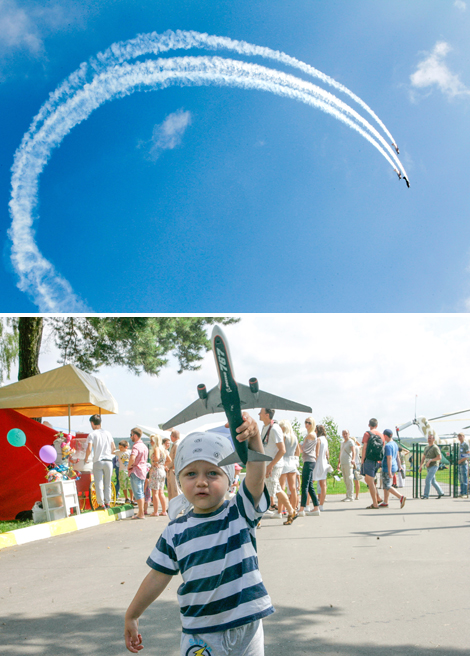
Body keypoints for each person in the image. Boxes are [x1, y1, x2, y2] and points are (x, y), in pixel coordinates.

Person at [124, 413, 274, 655]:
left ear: (229, 479)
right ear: (179, 480)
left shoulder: (239, 512)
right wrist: (132, 614)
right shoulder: (175, 531)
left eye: (212, 473)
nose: (202, 481)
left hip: (247, 626)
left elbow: (257, 477)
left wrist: (255, 437)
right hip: (201, 633)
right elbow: (157, 577)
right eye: (191, 474)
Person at [259, 408, 297, 525]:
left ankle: (257, 519)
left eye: (261, 412)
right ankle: (291, 511)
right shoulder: (265, 427)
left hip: (274, 466)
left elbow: (282, 450)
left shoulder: (275, 429)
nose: (259, 414)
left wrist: (270, 465)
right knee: (274, 490)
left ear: (267, 414)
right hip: (267, 464)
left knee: (271, 490)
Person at [84, 414, 115, 510]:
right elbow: (113, 447)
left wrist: (86, 459)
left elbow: (89, 449)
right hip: (109, 461)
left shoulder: (92, 434)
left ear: (92, 423)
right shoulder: (108, 433)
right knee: (108, 483)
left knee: (98, 483)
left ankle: (101, 504)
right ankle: (108, 503)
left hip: (98, 460)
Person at [297, 416, 320, 516]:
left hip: (309, 461)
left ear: (313, 424)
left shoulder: (310, 435)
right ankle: (316, 507)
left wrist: (296, 443)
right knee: (309, 485)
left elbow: (303, 449)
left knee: (304, 485)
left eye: (309, 423)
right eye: (306, 422)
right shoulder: (310, 434)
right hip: (309, 460)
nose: (307, 424)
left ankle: (302, 508)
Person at [378, 430, 406, 509]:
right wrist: (399, 466)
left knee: (387, 485)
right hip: (394, 466)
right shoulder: (395, 444)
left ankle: (400, 497)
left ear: (385, 436)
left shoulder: (388, 446)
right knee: (385, 484)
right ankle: (386, 501)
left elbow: (389, 458)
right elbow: (397, 456)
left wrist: (389, 471)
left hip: (388, 467)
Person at [361, 418, 385, 509]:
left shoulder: (367, 434)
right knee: (369, 480)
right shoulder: (381, 435)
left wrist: (362, 460)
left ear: (369, 425)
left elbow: (365, 448)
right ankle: (378, 498)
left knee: (370, 482)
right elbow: (383, 448)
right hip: (378, 461)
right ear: (377, 425)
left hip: (369, 460)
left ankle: (375, 504)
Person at [278, 419, 300, 515]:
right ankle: (293, 509)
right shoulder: (294, 437)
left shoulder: (283, 436)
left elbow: (280, 450)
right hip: (292, 461)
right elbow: (298, 451)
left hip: (283, 461)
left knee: (281, 487)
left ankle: (280, 510)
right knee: (293, 488)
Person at [128, 428, 149, 519]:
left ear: (135, 435)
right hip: (143, 471)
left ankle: (140, 513)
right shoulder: (144, 446)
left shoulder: (136, 446)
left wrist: (129, 466)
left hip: (136, 471)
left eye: (131, 435)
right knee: (141, 492)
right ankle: (141, 512)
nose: (130, 437)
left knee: (138, 493)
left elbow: (133, 457)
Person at [419, 433, 443, 499]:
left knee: (428, 479)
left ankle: (426, 495)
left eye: (430, 438)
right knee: (433, 481)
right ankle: (441, 492)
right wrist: (420, 465)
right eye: (428, 438)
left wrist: (431, 460)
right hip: (428, 466)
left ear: (433, 439)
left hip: (434, 465)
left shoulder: (435, 447)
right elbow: (423, 457)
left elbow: (439, 457)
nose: (429, 439)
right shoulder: (426, 447)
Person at [149, 434, 168, 516]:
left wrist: (154, 462)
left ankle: (155, 511)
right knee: (161, 492)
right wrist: (163, 465)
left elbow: (156, 458)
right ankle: (164, 511)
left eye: (151, 441)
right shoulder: (163, 449)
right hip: (162, 470)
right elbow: (169, 460)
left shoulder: (156, 448)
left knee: (155, 492)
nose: (150, 442)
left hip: (156, 471)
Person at [312, 424, 329, 510]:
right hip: (324, 463)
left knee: (310, 483)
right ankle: (321, 504)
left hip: (317, 463)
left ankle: (307, 504)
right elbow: (327, 454)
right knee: (323, 485)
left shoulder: (318, 440)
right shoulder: (325, 440)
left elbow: (317, 453)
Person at [337, 429, 356, 502]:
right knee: (345, 479)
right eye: (344, 434)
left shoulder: (351, 442)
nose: (345, 435)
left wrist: (353, 459)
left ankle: (350, 496)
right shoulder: (342, 443)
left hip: (348, 462)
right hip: (343, 462)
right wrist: (338, 463)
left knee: (349, 478)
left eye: (346, 433)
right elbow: (341, 453)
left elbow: (353, 451)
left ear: (349, 434)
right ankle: (347, 495)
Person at [166, 430, 181, 501]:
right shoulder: (175, 444)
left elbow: (176, 457)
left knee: (175, 489)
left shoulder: (176, 444)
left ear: (173, 436)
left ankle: (178, 508)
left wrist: (174, 468)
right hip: (171, 469)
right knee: (171, 488)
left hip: (173, 469)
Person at [117, 440, 133, 504]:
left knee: (130, 485)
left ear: (126, 447)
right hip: (122, 470)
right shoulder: (118, 452)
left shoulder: (130, 452)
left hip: (129, 470)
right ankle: (126, 498)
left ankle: (132, 498)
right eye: (119, 447)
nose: (119, 448)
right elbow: (112, 451)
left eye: (121, 447)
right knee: (124, 485)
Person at [457, 433, 469, 498]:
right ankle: (461, 492)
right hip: (459, 464)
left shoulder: (465, 445)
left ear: (463, 437)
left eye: (461, 436)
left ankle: (465, 493)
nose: (460, 437)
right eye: (459, 436)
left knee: (464, 479)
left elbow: (468, 455)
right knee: (460, 479)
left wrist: (461, 460)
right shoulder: (460, 445)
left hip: (463, 464)